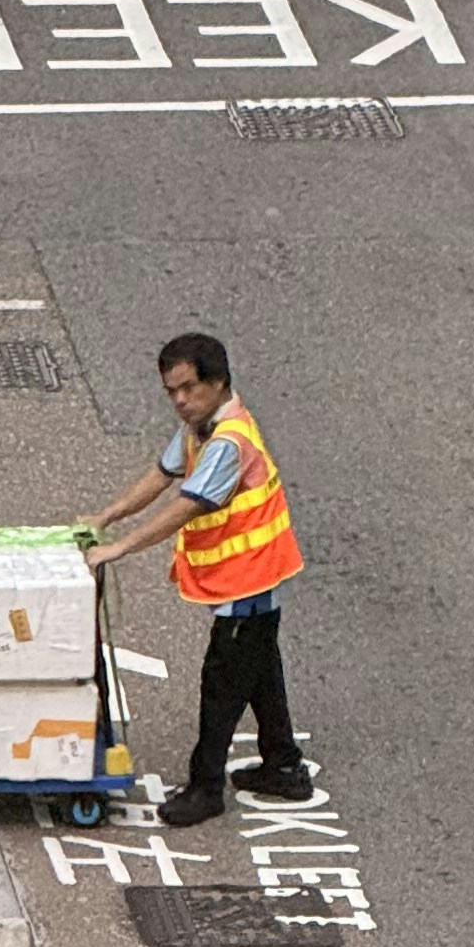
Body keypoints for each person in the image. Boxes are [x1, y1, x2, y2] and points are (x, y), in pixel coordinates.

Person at [80, 333, 312, 824]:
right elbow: (162, 473)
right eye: (171, 391)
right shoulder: (202, 428)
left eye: (188, 388)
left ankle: (205, 788)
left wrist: (119, 548)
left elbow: (187, 504)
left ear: (218, 382)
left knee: (222, 683)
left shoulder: (228, 443)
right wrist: (108, 515)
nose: (180, 401)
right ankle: (284, 766)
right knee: (261, 669)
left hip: (249, 582)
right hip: (251, 578)